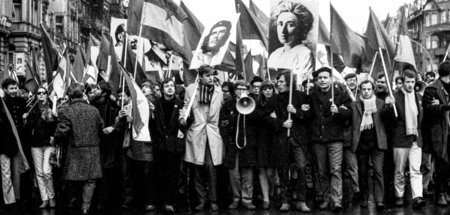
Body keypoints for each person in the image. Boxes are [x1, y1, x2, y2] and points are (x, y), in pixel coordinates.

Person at [54, 83, 104, 214]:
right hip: (93, 150)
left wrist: (55, 138)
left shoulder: (66, 110)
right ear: (83, 94)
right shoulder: (94, 110)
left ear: (69, 96)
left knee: (74, 179)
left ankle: (73, 203)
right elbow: (101, 128)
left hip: (75, 150)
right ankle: (85, 207)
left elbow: (62, 132)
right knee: (90, 180)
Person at [266, 71, 312, 212]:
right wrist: (281, 123)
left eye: (280, 81)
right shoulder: (273, 99)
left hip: (298, 139)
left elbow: (309, 115)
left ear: (288, 82)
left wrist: (296, 111)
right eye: (277, 82)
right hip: (281, 139)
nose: (278, 84)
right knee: (283, 169)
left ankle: (301, 200)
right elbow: (267, 118)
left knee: (302, 168)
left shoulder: (300, 96)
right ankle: (285, 201)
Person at [179, 65, 224, 211]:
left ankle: (213, 200)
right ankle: (201, 200)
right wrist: (182, 117)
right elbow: (186, 106)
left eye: (213, 75)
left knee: (211, 167)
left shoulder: (219, 91)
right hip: (197, 133)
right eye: (208, 75)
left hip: (212, 134)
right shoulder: (191, 89)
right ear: (201, 76)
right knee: (197, 168)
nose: (211, 78)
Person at [309, 67, 352, 212]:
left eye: (325, 77)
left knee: (335, 170)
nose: (322, 80)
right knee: (321, 171)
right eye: (320, 78)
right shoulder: (312, 95)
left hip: (334, 138)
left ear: (331, 79)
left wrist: (338, 110)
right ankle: (326, 198)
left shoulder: (340, 94)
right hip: (318, 139)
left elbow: (350, 113)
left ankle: (337, 200)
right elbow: (309, 114)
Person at [385, 69, 426, 210]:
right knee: (399, 170)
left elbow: (422, 117)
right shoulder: (395, 96)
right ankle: (399, 195)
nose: (410, 85)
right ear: (402, 82)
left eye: (412, 82)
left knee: (415, 169)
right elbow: (386, 118)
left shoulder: (418, 97)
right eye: (407, 82)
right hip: (400, 138)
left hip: (415, 138)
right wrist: (389, 106)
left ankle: (417, 197)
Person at [351, 80, 389, 210]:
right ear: (360, 90)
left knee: (378, 171)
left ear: (373, 90)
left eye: (369, 89)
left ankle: (379, 200)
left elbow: (389, 119)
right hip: (361, 143)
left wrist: (389, 107)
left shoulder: (381, 103)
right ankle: (364, 198)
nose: (366, 92)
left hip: (377, 143)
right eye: (364, 89)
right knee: (362, 172)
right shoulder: (355, 104)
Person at [117, 87, 156, 211]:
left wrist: (152, 114)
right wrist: (121, 119)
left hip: (145, 145)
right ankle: (133, 200)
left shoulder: (149, 107)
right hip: (129, 145)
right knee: (131, 174)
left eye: (145, 91)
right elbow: (118, 128)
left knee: (146, 174)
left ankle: (148, 201)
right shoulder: (125, 108)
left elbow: (153, 125)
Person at [221, 80, 257, 210]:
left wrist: (247, 106)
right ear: (234, 90)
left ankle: (247, 199)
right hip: (233, 142)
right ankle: (236, 198)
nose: (241, 90)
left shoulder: (253, 102)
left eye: (244, 88)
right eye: (238, 88)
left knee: (247, 172)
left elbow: (256, 121)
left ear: (248, 90)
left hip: (248, 142)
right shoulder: (228, 103)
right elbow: (224, 123)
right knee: (233, 172)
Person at [151, 78, 185, 213]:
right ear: (162, 88)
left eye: (172, 86)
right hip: (159, 145)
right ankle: (159, 201)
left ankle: (170, 202)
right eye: (167, 86)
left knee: (173, 175)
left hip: (174, 145)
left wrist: (184, 121)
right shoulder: (156, 103)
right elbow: (152, 124)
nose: (170, 88)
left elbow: (187, 122)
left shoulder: (181, 104)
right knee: (159, 174)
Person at [89, 81, 121, 210]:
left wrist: (113, 127)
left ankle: (105, 201)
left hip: (109, 145)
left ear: (104, 92)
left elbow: (120, 124)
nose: (95, 90)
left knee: (107, 173)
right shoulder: (91, 105)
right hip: (95, 144)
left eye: (98, 88)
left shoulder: (114, 106)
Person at [23, 87, 57, 209]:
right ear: (36, 95)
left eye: (44, 93)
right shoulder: (32, 109)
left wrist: (55, 117)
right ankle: (45, 199)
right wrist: (25, 120)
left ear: (47, 95)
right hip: (35, 144)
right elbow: (27, 129)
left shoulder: (52, 107)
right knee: (39, 173)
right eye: (39, 93)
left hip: (48, 144)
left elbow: (56, 127)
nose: (41, 95)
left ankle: (52, 197)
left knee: (46, 172)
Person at [422, 61, 450, 206]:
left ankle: (446, 191)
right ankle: (440, 193)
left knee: (447, 165)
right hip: (439, 133)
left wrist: (439, 105)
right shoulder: (431, 89)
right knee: (441, 163)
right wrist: (443, 107)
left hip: (449, 130)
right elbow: (427, 110)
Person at [268, 0, 314, 79]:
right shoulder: (274, 54)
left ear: (301, 28)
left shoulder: (304, 54)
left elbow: (301, 81)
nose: (283, 31)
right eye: (280, 24)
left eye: (290, 25)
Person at [1, 78, 29, 206]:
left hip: (18, 141)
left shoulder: (22, 102)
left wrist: (25, 120)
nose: (13, 91)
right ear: (5, 90)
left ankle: (17, 197)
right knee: (6, 172)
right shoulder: (1, 103)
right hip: (4, 143)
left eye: (15, 88)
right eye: (11, 88)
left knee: (17, 171)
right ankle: (9, 200)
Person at [254, 81, 277, 209]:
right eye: (265, 89)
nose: (268, 91)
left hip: (273, 140)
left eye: (270, 88)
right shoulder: (257, 104)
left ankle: (272, 191)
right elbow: (258, 119)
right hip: (261, 140)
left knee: (270, 172)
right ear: (261, 91)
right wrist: (269, 116)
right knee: (262, 169)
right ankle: (266, 198)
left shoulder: (278, 103)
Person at [342, 73, 359, 204]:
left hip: (357, 134)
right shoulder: (342, 94)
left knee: (354, 166)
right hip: (345, 134)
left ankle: (356, 190)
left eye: (353, 80)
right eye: (349, 80)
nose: (352, 82)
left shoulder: (362, 93)